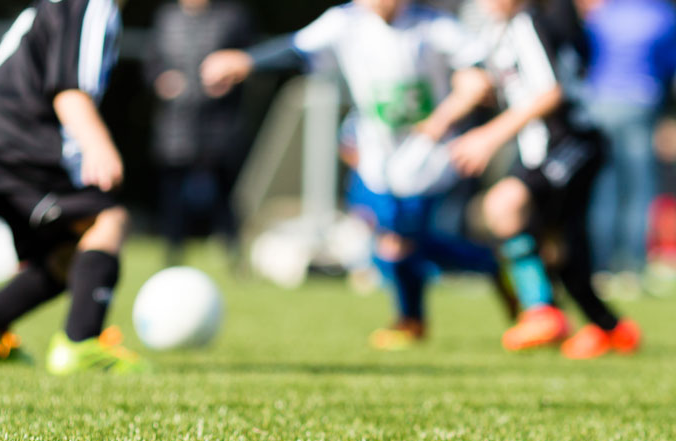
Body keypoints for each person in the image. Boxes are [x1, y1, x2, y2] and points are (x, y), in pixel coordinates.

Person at [201, 0, 514, 349]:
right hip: (374, 157)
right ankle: (485, 266)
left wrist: (462, 96)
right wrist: (245, 62)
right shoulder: (345, 23)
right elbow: (298, 50)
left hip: (427, 156)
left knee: (399, 240)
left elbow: (477, 69)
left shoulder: (432, 26)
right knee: (390, 238)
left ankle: (415, 316)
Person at [425, 0, 642, 358]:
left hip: (569, 142)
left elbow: (549, 93)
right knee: (558, 245)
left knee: (504, 206)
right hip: (543, 149)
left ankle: (542, 311)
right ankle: (610, 328)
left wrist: (488, 136)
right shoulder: (500, 31)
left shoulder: (529, 23)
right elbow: (491, 81)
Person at [0, 0, 146, 375]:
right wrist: (98, 144)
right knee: (109, 220)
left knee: (67, 254)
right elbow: (68, 89)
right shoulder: (93, 4)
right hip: (12, 140)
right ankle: (81, 343)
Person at [147, 0, 252, 266]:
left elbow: (247, 58)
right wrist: (162, 79)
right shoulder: (167, 16)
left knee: (224, 193)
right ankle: (172, 254)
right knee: (172, 194)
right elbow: (152, 61)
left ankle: (232, 252)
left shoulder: (232, 15)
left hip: (220, 122)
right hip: (176, 122)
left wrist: (230, 79)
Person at [580, 0, 676, 282]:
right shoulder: (662, 15)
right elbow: (667, 66)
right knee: (638, 189)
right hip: (640, 102)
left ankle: (601, 266)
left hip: (598, 104)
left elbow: (587, 55)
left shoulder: (602, 14)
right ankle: (631, 266)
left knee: (603, 189)